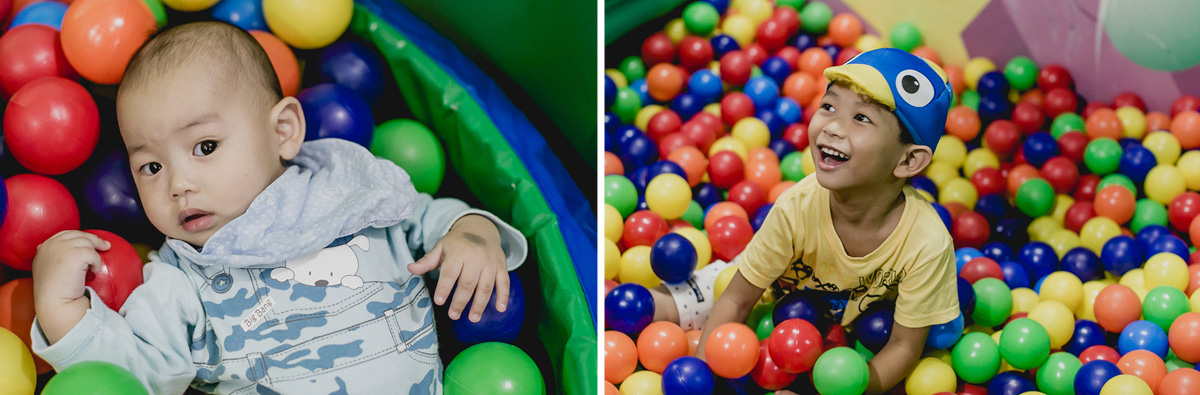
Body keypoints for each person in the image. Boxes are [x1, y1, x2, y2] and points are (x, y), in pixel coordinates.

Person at [29, 21, 526, 394]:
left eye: (204, 147)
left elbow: (430, 218)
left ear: (282, 131)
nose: (179, 184)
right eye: (151, 167)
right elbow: (125, 377)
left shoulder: (351, 197)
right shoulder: (182, 281)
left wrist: (472, 234)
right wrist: (61, 309)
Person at [653, 48, 959, 394]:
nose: (831, 127)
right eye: (829, 106)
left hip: (848, 341)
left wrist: (845, 386)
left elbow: (903, 347)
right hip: (768, 297)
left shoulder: (927, 244)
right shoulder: (796, 206)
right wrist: (707, 377)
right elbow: (738, 299)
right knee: (662, 307)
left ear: (907, 161)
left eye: (861, 118)